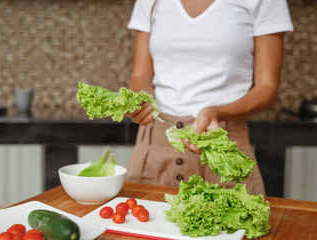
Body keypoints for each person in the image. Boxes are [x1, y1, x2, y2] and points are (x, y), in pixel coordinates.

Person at [125, 0, 294, 195]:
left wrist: (217, 112)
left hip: (222, 148)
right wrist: (140, 101)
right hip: (153, 147)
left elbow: (267, 88)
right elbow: (141, 76)